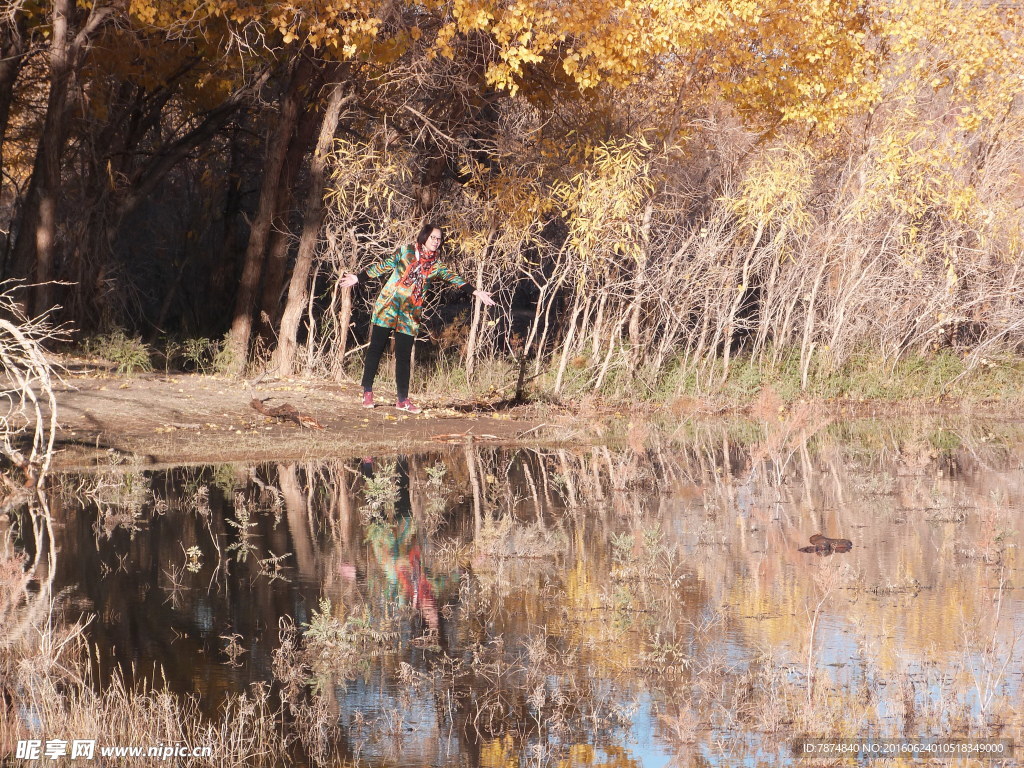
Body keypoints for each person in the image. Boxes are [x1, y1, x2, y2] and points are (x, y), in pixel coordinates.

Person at [341, 224, 495, 413]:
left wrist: (476, 292)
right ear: (424, 237)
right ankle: (367, 392)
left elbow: (455, 278)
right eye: (433, 237)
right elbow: (383, 266)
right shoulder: (405, 252)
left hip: (410, 313)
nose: (436, 242)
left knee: (404, 356)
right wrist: (358, 278)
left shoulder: (436, 265)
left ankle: (402, 400)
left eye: (439, 239)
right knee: (376, 348)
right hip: (387, 307)